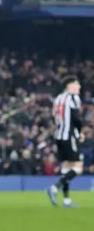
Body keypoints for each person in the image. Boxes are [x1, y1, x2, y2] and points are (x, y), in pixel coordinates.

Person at [48, 76, 83, 208]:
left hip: (59, 136)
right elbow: (76, 118)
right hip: (69, 136)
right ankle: (54, 188)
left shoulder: (58, 98)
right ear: (69, 86)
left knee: (66, 169)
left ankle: (67, 201)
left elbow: (55, 118)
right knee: (78, 168)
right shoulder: (73, 98)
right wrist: (79, 133)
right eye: (76, 84)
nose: (79, 87)